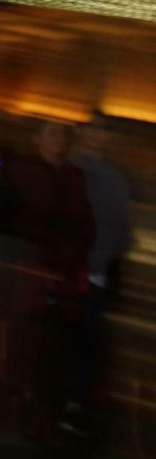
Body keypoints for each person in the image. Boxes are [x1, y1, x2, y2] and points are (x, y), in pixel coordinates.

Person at [0, 119, 95, 439]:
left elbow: (85, 227)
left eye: (62, 135)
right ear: (37, 139)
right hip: (31, 275)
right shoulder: (25, 175)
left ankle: (40, 414)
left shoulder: (73, 179)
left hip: (59, 279)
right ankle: (16, 409)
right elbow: (15, 221)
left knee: (52, 349)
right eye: (52, 133)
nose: (58, 141)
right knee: (24, 345)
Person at [66, 114, 133, 431]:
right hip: (91, 273)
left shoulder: (68, 171)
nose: (95, 137)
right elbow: (122, 233)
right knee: (83, 342)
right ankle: (73, 403)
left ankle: (66, 400)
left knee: (73, 340)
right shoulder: (111, 179)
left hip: (78, 271)